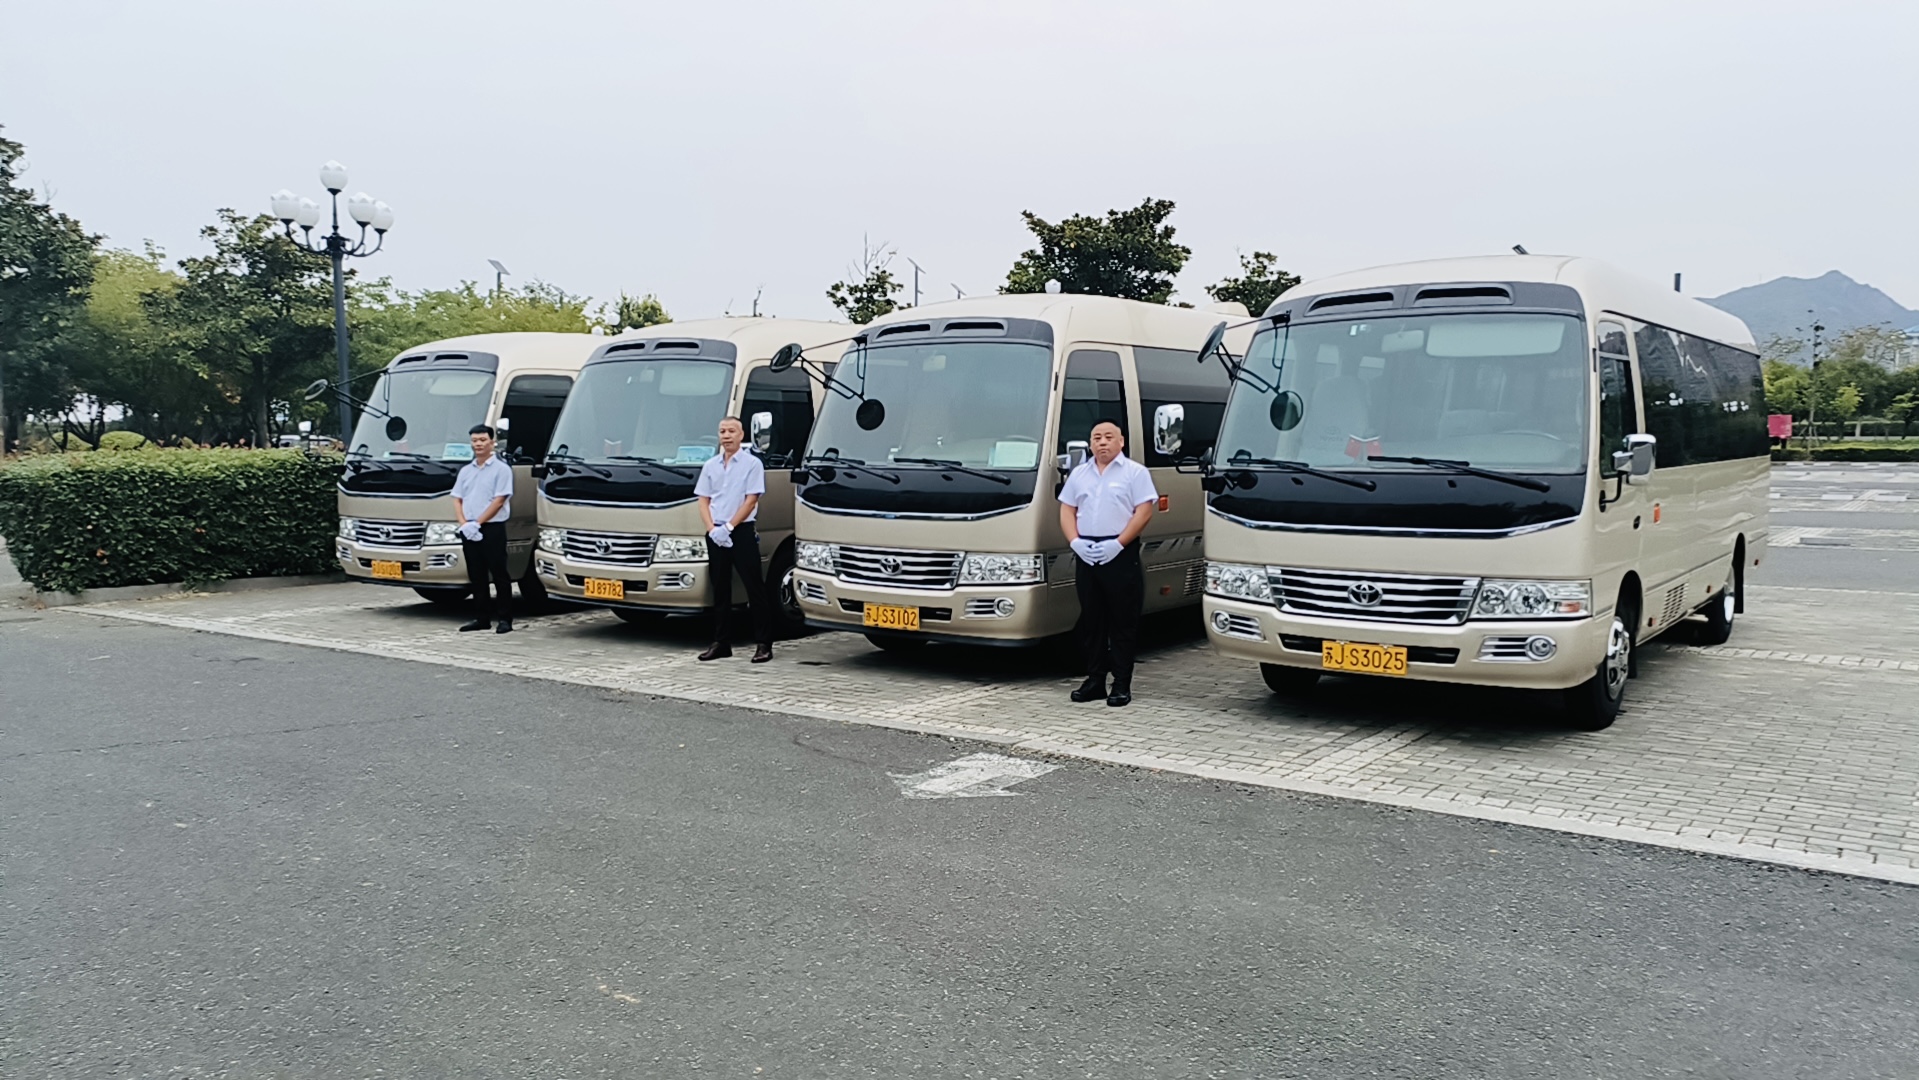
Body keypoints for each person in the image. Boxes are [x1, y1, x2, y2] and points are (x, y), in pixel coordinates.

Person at [1057, 420, 1158, 707]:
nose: (1102, 442)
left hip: (1119, 550)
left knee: (1122, 620)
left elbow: (1144, 512)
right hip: (1087, 550)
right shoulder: (1079, 474)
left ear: (1121, 441)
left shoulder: (1135, 472)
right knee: (1092, 619)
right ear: (1090, 444)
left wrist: (1119, 543)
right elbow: (1067, 510)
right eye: (1097, 438)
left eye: (1108, 437)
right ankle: (1095, 680)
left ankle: (1121, 683)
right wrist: (1075, 542)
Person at [694, 416, 774, 663]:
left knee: (754, 587)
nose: (726, 436)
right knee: (720, 588)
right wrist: (712, 529)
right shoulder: (711, 465)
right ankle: (721, 642)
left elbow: (751, 500)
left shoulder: (752, 464)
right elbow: (703, 500)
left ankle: (763, 643)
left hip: (741, 531)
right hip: (715, 532)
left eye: (731, 431)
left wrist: (729, 527)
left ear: (741, 435)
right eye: (722, 431)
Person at [452, 423, 516, 634]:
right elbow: (457, 498)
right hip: (469, 528)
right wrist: (464, 524)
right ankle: (482, 618)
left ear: (492, 442)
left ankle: (505, 619)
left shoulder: (501, 469)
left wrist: (478, 523)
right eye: (474, 441)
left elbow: (499, 500)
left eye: (482, 440)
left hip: (492, 528)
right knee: (476, 574)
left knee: (499, 574)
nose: (478, 444)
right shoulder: (466, 471)